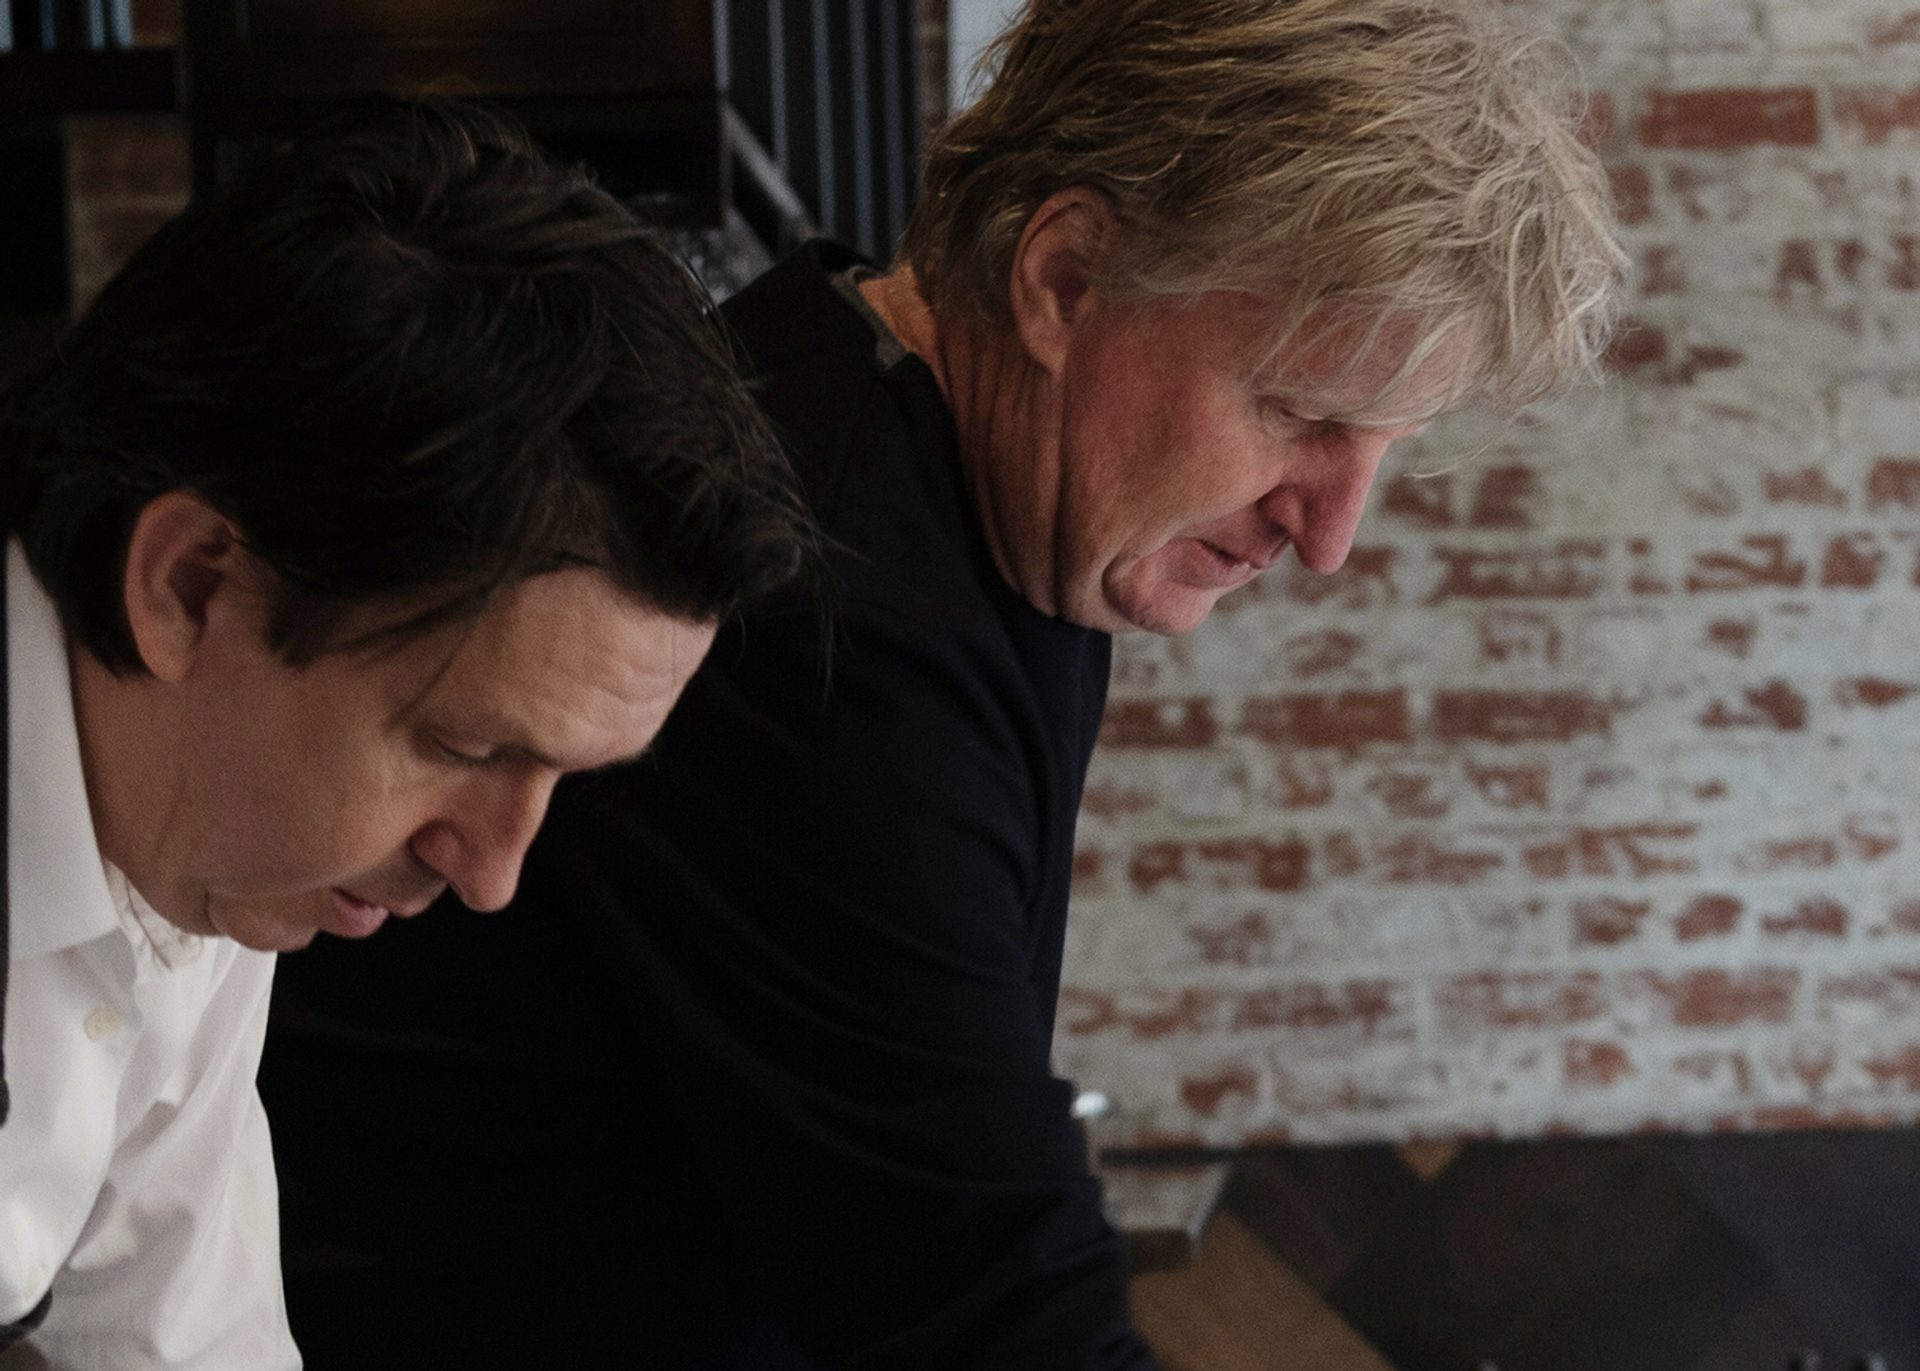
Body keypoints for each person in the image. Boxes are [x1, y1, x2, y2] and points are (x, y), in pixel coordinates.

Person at [262, 2, 1627, 1366]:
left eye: (1380, 447)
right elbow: (994, 1313)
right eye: (1296, 411)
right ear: (1066, 278)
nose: (1326, 534)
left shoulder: (898, 432)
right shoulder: (829, 606)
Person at [0, 99, 812, 1369]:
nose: (491, 874)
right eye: (466, 747)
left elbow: (184, 1342)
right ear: (193, 586)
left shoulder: (206, 835)